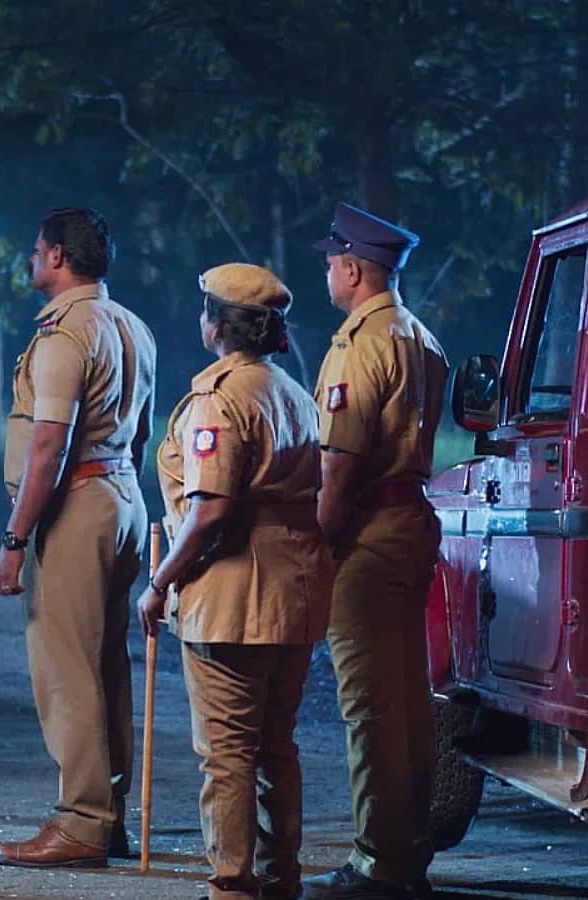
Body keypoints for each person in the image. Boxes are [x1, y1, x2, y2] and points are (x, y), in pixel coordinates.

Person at [137, 263, 332, 900]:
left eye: (205, 312)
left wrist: (160, 581)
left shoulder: (220, 400)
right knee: (276, 746)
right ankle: (280, 876)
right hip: (293, 592)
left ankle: (232, 885)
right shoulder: (291, 392)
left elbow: (211, 512)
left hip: (232, 597)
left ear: (217, 326)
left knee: (227, 753)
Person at [0, 207, 156, 868]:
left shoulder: (66, 332)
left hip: (76, 504)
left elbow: (49, 446)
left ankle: (82, 820)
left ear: (58, 256)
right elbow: (141, 436)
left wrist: (14, 540)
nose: (33, 259)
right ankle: (107, 812)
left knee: (66, 667)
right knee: (105, 663)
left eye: (38, 249)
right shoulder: (132, 326)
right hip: (121, 496)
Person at [303, 202, 448, 900]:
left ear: (354, 270)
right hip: (411, 521)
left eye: (332, 263)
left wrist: (312, 552)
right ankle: (408, 852)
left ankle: (378, 862)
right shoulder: (421, 337)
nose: (328, 273)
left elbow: (339, 468)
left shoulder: (360, 343)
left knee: (369, 706)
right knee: (408, 701)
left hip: (366, 533)